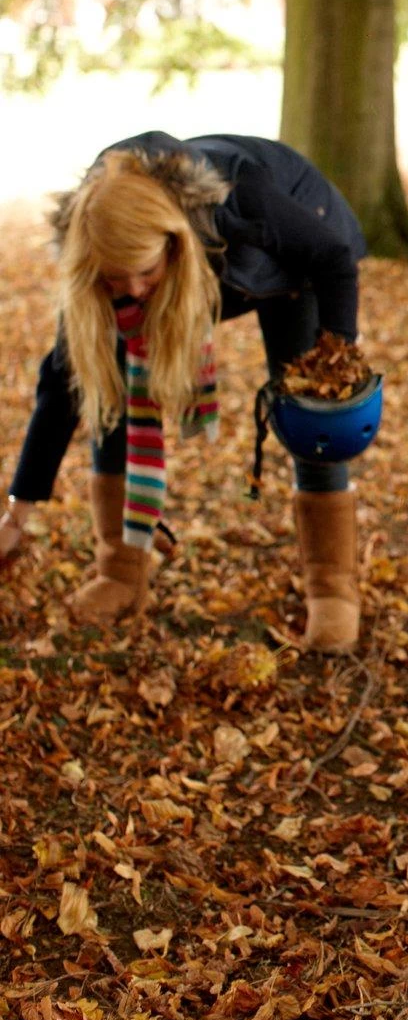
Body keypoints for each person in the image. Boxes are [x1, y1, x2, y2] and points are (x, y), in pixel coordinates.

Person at [1, 132, 370, 652]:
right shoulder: (98, 250)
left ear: (172, 244)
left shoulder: (241, 199)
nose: (132, 290)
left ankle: (333, 588)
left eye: (144, 272)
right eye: (115, 279)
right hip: (204, 263)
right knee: (107, 383)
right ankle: (121, 570)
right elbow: (64, 384)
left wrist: (339, 358)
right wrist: (17, 514)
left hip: (287, 263)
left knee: (310, 408)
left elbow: (331, 259)